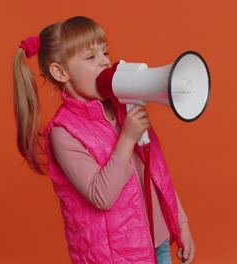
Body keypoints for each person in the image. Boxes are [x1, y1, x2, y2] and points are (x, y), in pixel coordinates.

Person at [13, 16, 195, 264]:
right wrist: (127, 137)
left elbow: (156, 172)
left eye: (105, 52)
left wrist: (180, 222)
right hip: (117, 256)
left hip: (158, 243)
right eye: (91, 57)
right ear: (61, 72)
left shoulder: (121, 107)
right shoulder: (64, 132)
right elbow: (101, 195)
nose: (105, 62)